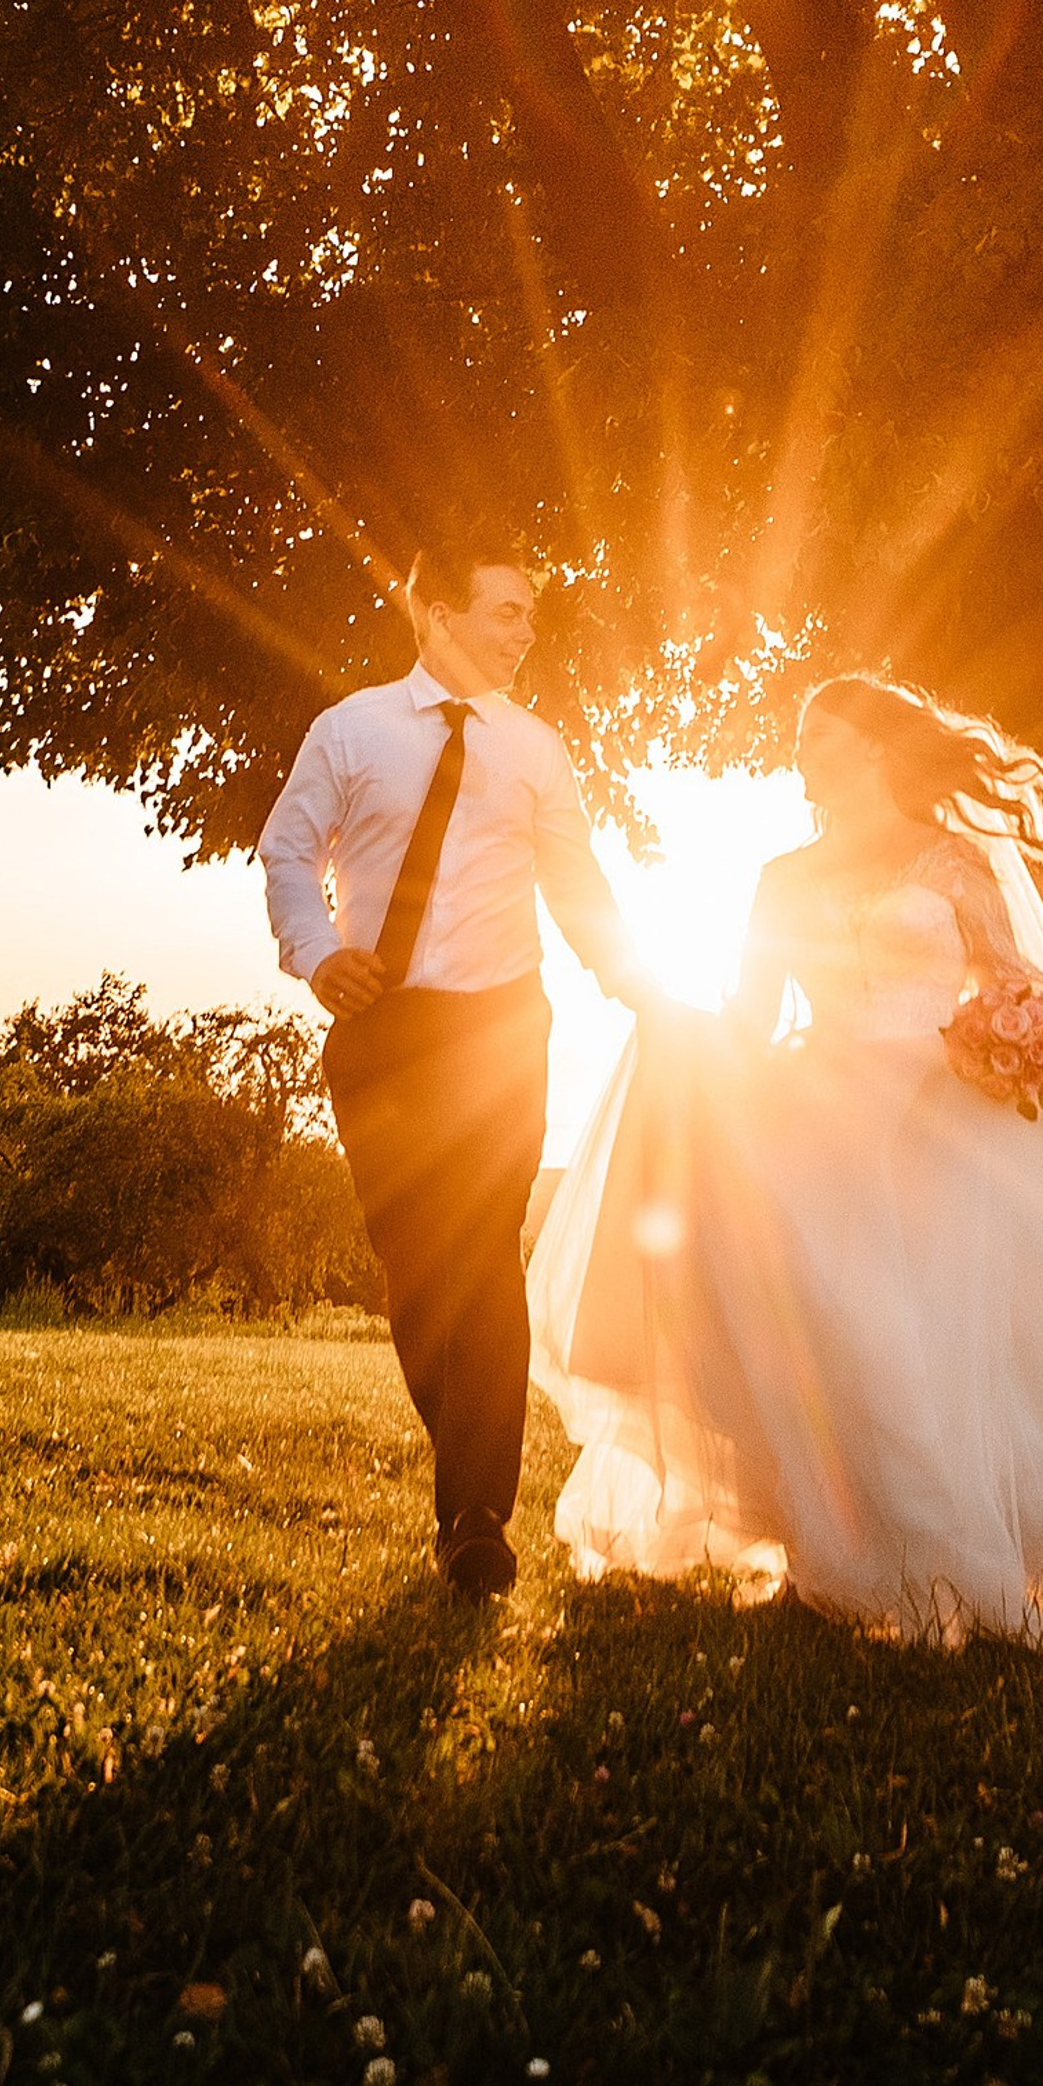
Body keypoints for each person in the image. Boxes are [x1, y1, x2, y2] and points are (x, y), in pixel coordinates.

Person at [528, 673, 1043, 1651]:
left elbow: (1015, 980)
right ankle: (854, 1550)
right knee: (836, 1324)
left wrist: (1014, 1036)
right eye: (798, 738)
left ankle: (985, 1549)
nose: (801, 754)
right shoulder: (780, 878)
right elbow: (752, 1021)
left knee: (954, 1337)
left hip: (949, 1113)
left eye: (818, 737)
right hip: (820, 1112)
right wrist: (684, 1038)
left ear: (874, 749)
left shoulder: (953, 862)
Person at [261, 531, 661, 1599]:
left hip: (497, 1029)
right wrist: (315, 952)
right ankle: (467, 1462)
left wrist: (642, 987)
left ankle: (476, 1514)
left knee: (482, 1249)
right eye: (504, 611)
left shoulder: (537, 749)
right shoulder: (348, 732)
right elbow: (288, 851)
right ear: (432, 609)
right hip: (380, 1025)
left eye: (530, 615)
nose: (525, 633)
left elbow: (576, 885)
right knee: (414, 1263)